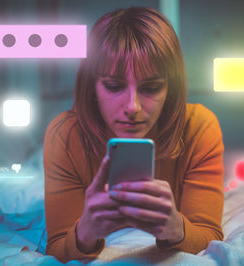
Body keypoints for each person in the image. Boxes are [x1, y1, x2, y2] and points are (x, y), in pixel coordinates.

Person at [43, 6, 224, 263]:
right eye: (114, 86)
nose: (133, 107)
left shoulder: (198, 127)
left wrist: (175, 228)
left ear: (170, 90)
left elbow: (209, 234)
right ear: (91, 86)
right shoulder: (65, 136)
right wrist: (86, 231)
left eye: (151, 88)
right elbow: (57, 247)